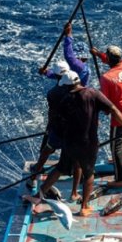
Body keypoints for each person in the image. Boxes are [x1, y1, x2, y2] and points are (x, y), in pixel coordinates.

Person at [38, 71, 122, 216]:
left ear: (67, 86)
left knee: (60, 168)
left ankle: (39, 195)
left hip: (69, 142)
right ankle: (84, 207)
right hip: (88, 143)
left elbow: (57, 121)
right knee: (88, 174)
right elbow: (112, 109)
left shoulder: (65, 99)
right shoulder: (93, 93)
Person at [90, 44, 122, 188]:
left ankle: (120, 179)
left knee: (115, 147)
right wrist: (98, 54)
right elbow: (111, 60)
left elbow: (105, 103)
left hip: (120, 116)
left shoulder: (106, 78)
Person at [28, 60, 81, 198]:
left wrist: (49, 128)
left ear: (56, 76)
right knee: (77, 162)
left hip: (58, 130)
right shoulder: (79, 88)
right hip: (75, 132)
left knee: (46, 151)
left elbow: (52, 114)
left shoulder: (53, 93)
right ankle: (74, 193)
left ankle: (33, 176)